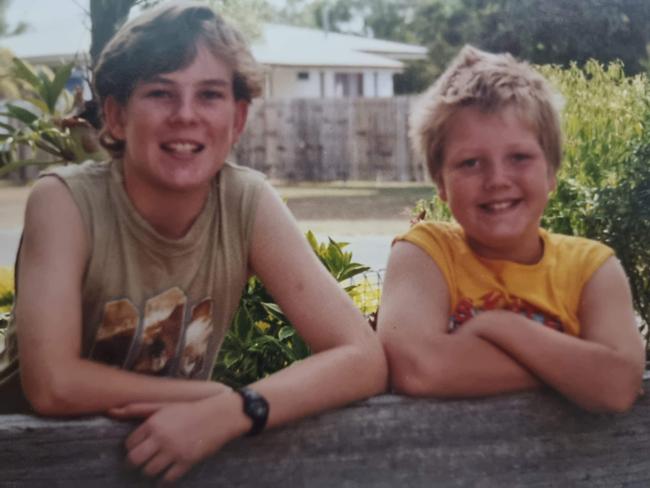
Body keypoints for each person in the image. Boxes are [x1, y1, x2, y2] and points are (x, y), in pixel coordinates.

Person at [0, 2, 386, 482]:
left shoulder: (246, 202)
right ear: (116, 115)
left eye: (209, 95)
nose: (186, 115)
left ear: (238, 118)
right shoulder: (64, 202)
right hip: (32, 462)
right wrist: (212, 399)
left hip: (163, 462)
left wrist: (241, 409)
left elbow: (362, 356)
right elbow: (53, 384)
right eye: (161, 93)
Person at [378, 45, 645, 413]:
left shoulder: (592, 269)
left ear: (551, 172)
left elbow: (616, 385)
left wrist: (502, 327)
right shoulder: (425, 252)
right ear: (441, 183)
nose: (497, 179)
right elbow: (417, 369)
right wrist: (574, 367)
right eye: (470, 163)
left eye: (519, 157)